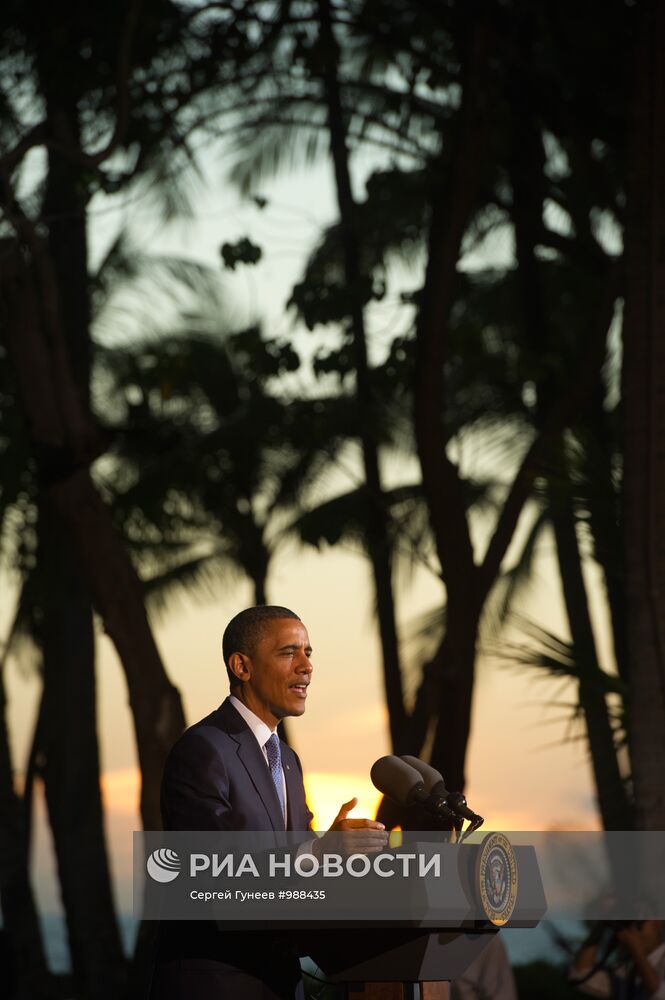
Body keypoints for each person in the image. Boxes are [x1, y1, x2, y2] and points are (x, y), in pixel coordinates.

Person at [149, 605, 387, 1000]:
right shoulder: (203, 749)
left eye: (308, 652)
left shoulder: (287, 761)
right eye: (288, 652)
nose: (306, 666)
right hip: (217, 983)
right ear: (242, 666)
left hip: (279, 983)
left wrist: (349, 864)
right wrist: (319, 850)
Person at [570, 920, 665, 999]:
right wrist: (601, 925)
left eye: (639, 923)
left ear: (657, 922)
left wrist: (637, 951)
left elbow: (660, 995)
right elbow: (582, 976)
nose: (633, 931)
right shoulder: (628, 970)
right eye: (628, 925)